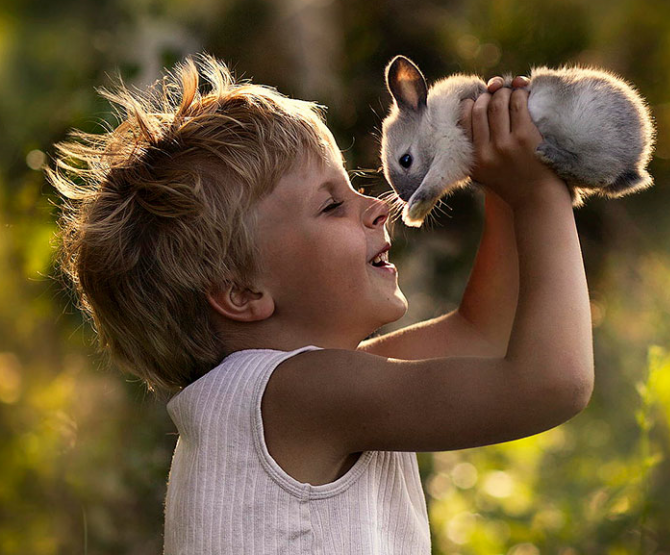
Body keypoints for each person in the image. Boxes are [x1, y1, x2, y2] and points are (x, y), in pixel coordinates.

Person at [47, 52, 594, 554]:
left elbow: (484, 335)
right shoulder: (294, 397)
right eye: (331, 205)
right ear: (242, 293)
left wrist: (497, 178)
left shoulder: (297, 392)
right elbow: (552, 385)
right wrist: (539, 194)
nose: (378, 208)